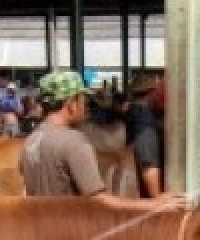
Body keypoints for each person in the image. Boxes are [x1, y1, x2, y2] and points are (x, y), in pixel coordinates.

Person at [20, 70, 184, 213]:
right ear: (71, 105)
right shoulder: (74, 142)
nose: (86, 107)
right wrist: (155, 204)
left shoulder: (31, 140)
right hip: (71, 236)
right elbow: (99, 200)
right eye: (83, 101)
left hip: (41, 236)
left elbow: (27, 193)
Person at [126, 74, 165, 197]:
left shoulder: (134, 111)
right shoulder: (144, 118)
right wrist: (158, 200)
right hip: (146, 192)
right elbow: (148, 164)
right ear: (152, 92)